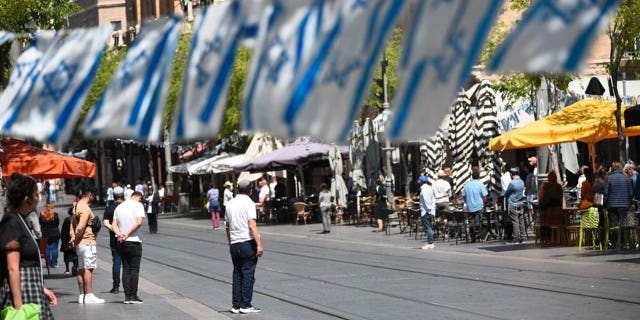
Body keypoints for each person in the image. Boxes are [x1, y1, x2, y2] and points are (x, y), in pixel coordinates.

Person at [0, 173, 57, 319]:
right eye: (36, 194)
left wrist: (40, 288)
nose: (39, 197)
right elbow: (12, 267)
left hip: (31, 290)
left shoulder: (20, 219)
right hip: (23, 295)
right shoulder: (11, 222)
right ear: (27, 199)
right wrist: (19, 310)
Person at [226, 180, 264, 314]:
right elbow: (252, 225)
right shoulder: (249, 203)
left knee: (237, 273)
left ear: (237, 189)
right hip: (247, 242)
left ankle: (236, 305)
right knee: (248, 273)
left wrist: (230, 242)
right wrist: (259, 244)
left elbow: (227, 226)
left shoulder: (229, 204)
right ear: (250, 190)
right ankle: (246, 305)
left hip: (234, 243)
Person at [70, 185, 105, 304]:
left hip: (80, 244)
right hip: (87, 241)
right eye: (93, 197)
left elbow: (72, 224)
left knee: (80, 269)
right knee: (88, 269)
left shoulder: (76, 206)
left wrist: (73, 237)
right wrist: (75, 237)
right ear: (90, 195)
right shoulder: (84, 207)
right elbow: (81, 226)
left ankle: (82, 295)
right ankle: (89, 295)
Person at [113, 191, 146, 304]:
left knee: (126, 268)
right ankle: (133, 296)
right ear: (138, 197)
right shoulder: (138, 205)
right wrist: (127, 234)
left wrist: (119, 234)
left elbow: (114, 224)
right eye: (140, 199)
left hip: (121, 242)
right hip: (134, 241)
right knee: (134, 269)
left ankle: (127, 297)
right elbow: (139, 223)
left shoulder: (119, 207)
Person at [605, 161, 632, 249]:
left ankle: (616, 243)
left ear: (612, 168)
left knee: (614, 224)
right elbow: (630, 193)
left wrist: (606, 204)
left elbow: (606, 192)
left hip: (612, 205)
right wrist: (629, 203)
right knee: (623, 223)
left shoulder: (609, 178)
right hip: (624, 204)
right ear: (620, 167)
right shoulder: (626, 178)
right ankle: (624, 243)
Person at [102, 186, 125, 294]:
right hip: (127, 238)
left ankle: (116, 286)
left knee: (116, 262)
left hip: (114, 240)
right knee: (127, 264)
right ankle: (128, 287)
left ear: (114, 196)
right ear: (123, 195)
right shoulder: (127, 207)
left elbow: (106, 223)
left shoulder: (110, 208)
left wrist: (115, 231)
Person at [462, 172, 488, 242]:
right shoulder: (480, 184)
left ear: (472, 177)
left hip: (470, 207)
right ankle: (481, 237)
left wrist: (467, 202)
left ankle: (473, 238)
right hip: (479, 206)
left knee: (471, 222)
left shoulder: (466, 185)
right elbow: (485, 196)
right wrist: (484, 203)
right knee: (479, 222)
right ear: (478, 177)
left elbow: (463, 196)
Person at [538, 171, 564, 243]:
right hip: (558, 211)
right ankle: (558, 237)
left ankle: (547, 238)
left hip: (548, 210)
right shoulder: (558, 186)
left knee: (545, 222)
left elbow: (542, 196)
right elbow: (560, 197)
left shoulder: (545, 186)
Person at [504, 168, 525, 244]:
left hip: (513, 204)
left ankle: (516, 237)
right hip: (520, 203)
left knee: (515, 221)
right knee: (521, 220)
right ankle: (523, 236)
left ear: (511, 174)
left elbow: (506, 193)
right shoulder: (522, 182)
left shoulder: (512, 183)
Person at [39, 203, 60, 268]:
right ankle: (53, 263)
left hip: (45, 233)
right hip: (54, 233)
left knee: (46, 249)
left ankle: (48, 263)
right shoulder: (55, 215)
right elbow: (58, 223)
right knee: (55, 249)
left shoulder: (42, 215)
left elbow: (40, 223)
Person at [418, 175, 436, 250]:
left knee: (428, 228)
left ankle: (430, 243)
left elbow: (426, 200)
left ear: (421, 181)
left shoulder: (424, 189)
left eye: (419, 180)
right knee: (430, 227)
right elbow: (433, 199)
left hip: (426, 211)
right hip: (430, 210)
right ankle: (431, 242)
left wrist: (428, 210)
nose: (418, 181)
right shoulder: (429, 188)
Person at [60, 207, 78, 277]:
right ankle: (75, 268)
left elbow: (63, 231)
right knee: (75, 255)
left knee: (67, 255)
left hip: (67, 240)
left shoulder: (67, 219)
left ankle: (67, 269)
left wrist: (63, 240)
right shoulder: (77, 219)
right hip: (75, 240)